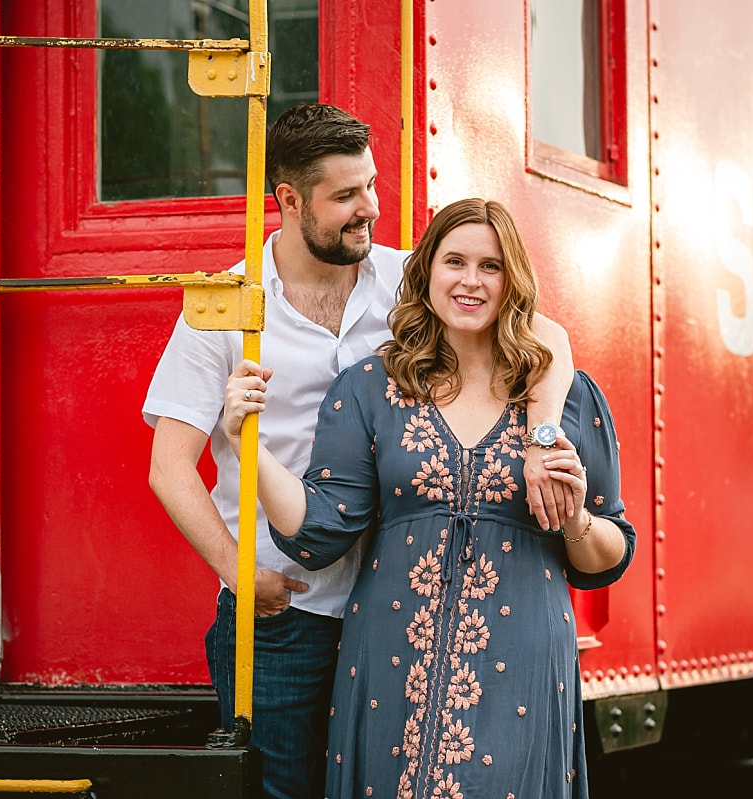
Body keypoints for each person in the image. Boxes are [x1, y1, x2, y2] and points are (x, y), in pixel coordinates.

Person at [143, 105, 575, 799]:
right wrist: (238, 573)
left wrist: (542, 434)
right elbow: (169, 466)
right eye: (346, 195)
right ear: (288, 199)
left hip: (402, 607)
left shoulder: (411, 279)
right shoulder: (223, 307)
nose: (369, 208)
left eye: (370, 186)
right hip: (287, 613)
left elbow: (544, 332)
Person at [222, 198, 635, 799]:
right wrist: (246, 446)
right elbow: (317, 532)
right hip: (391, 660)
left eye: (490, 266)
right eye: (455, 262)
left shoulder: (565, 398)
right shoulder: (369, 388)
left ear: (512, 281)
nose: (471, 281)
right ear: (426, 273)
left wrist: (573, 514)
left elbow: (608, 556)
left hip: (520, 663)